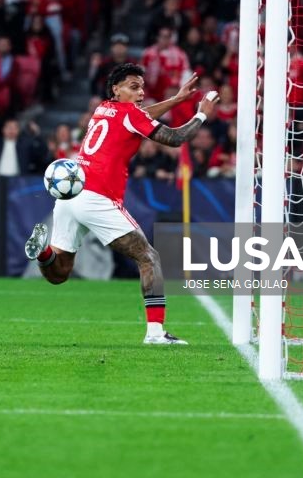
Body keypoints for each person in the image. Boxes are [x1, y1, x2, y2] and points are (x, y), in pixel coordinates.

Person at [24, 63, 218, 344]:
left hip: (69, 196)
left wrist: (176, 100)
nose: (140, 93)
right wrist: (201, 113)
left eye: (142, 87)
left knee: (59, 273)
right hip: (97, 197)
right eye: (134, 87)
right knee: (149, 257)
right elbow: (176, 138)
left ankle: (42, 253)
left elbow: (139, 117)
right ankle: (155, 333)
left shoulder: (104, 108)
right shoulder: (129, 114)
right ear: (117, 89)